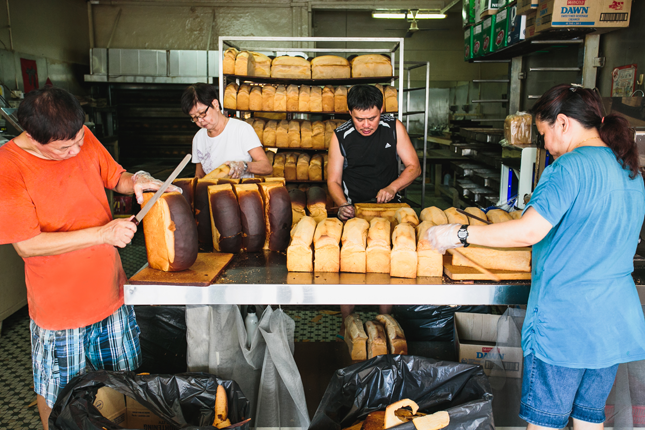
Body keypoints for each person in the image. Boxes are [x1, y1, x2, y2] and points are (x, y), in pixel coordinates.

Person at [426, 84, 645, 430]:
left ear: (562, 123)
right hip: (611, 324)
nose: (545, 145)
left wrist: (460, 234)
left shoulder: (568, 168)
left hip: (567, 324)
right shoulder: (628, 170)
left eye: (543, 134)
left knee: (545, 423)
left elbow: (529, 230)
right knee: (589, 420)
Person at [0, 87, 179, 429]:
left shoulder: (78, 136)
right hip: (59, 311)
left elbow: (116, 177)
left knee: (122, 383)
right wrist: (102, 234)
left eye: (80, 139)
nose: (76, 150)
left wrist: (137, 179)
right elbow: (28, 245)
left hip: (110, 295)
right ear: (33, 138)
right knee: (59, 393)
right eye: (65, 148)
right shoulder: (8, 167)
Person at [327, 84, 421, 333]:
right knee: (348, 264)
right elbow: (333, 180)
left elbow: (413, 166)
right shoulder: (340, 135)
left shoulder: (394, 128)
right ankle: (348, 320)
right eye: (360, 119)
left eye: (372, 118)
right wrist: (342, 204)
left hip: (388, 207)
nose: (366, 124)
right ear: (350, 112)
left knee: (388, 261)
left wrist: (393, 187)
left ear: (381, 111)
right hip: (354, 208)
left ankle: (385, 318)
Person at [180, 83, 272, 178]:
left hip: (241, 192)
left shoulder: (241, 129)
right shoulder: (198, 138)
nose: (200, 120)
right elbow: (199, 175)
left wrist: (244, 166)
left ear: (215, 104)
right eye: (194, 117)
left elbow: (267, 167)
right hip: (212, 192)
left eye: (202, 113)